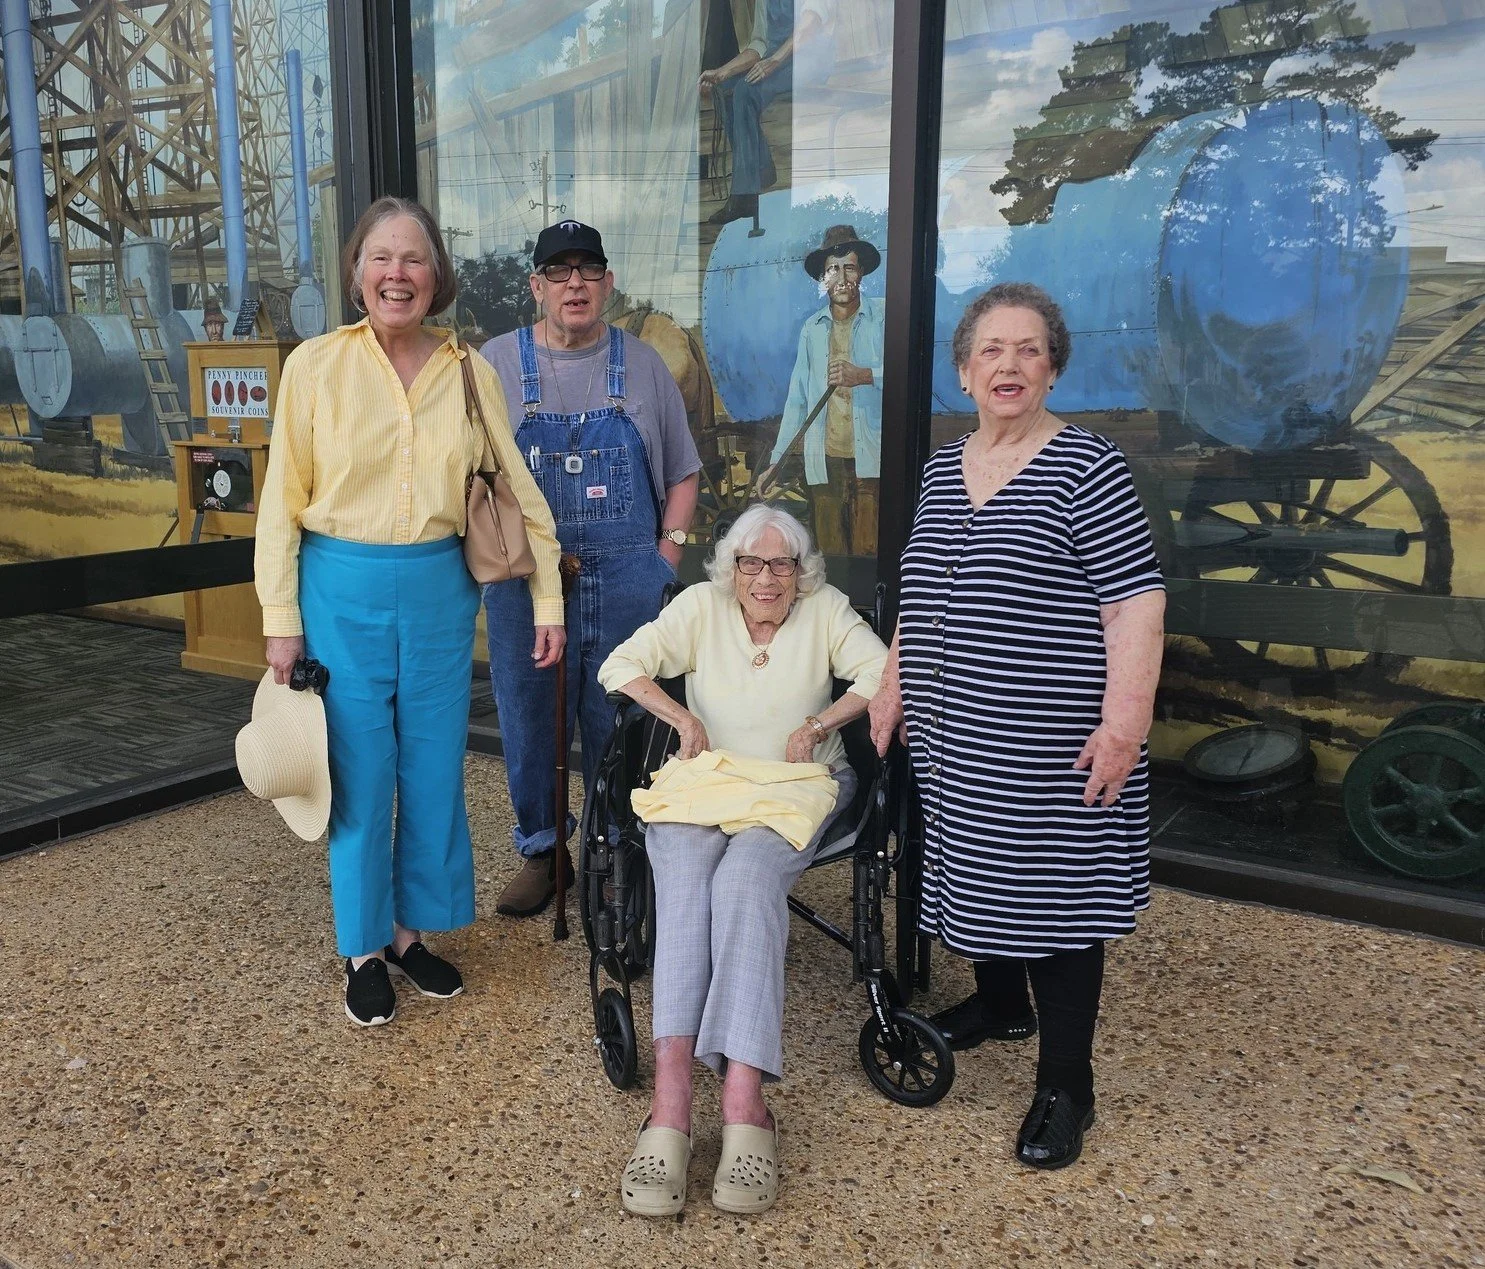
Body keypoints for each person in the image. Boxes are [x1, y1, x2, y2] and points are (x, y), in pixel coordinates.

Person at [869, 282, 1165, 1169]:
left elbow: (1135, 603)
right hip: (954, 740)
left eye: (1028, 349)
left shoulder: (1086, 466)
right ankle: (1001, 1005)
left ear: (1052, 369)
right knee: (973, 873)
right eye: (991, 350)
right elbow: (918, 589)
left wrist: (1123, 727)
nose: (1009, 364)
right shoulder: (941, 467)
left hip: (1049, 743)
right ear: (964, 372)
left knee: (1057, 903)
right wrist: (891, 685)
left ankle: (1067, 1085)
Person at [255, 196, 562, 1027]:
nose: (398, 274)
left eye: (414, 258)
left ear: (437, 275)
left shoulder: (470, 371)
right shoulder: (314, 366)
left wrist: (547, 598)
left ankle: (407, 933)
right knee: (358, 773)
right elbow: (281, 501)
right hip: (338, 590)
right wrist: (280, 618)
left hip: (438, 591)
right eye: (382, 258)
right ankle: (361, 947)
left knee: (430, 768)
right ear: (358, 273)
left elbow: (519, 490)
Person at [597, 503, 887, 1216]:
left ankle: (743, 1098)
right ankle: (671, 1101)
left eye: (781, 564)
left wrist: (820, 723)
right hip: (709, 778)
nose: (766, 578)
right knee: (685, 878)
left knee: (746, 881)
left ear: (800, 570)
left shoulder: (825, 609)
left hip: (793, 785)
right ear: (731, 567)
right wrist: (681, 717)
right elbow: (620, 665)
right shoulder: (701, 606)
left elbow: (882, 671)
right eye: (751, 563)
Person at [479, 220, 701, 918]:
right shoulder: (493, 364)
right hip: (524, 582)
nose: (574, 283)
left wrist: (665, 558)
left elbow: (683, 472)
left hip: (628, 579)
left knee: (622, 720)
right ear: (536, 285)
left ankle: (616, 854)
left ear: (607, 283)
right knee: (528, 720)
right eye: (559, 271)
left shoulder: (644, 365)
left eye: (588, 269)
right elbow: (468, 473)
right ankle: (544, 853)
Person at [756, 223, 884, 556]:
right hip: (823, 464)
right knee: (830, 556)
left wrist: (865, 375)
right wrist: (776, 463)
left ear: (861, 272)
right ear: (823, 278)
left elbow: (905, 375)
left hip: (870, 460)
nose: (841, 277)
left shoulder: (884, 318)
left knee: (868, 552)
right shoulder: (811, 330)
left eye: (849, 268)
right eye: (832, 269)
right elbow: (797, 401)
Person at [701, 0, 836, 225]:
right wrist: (722, 73)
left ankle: (745, 194)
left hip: (810, 57)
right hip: (777, 59)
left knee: (745, 90)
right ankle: (759, 171)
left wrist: (775, 60)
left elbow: (810, 23)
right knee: (726, 90)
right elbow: (759, 46)